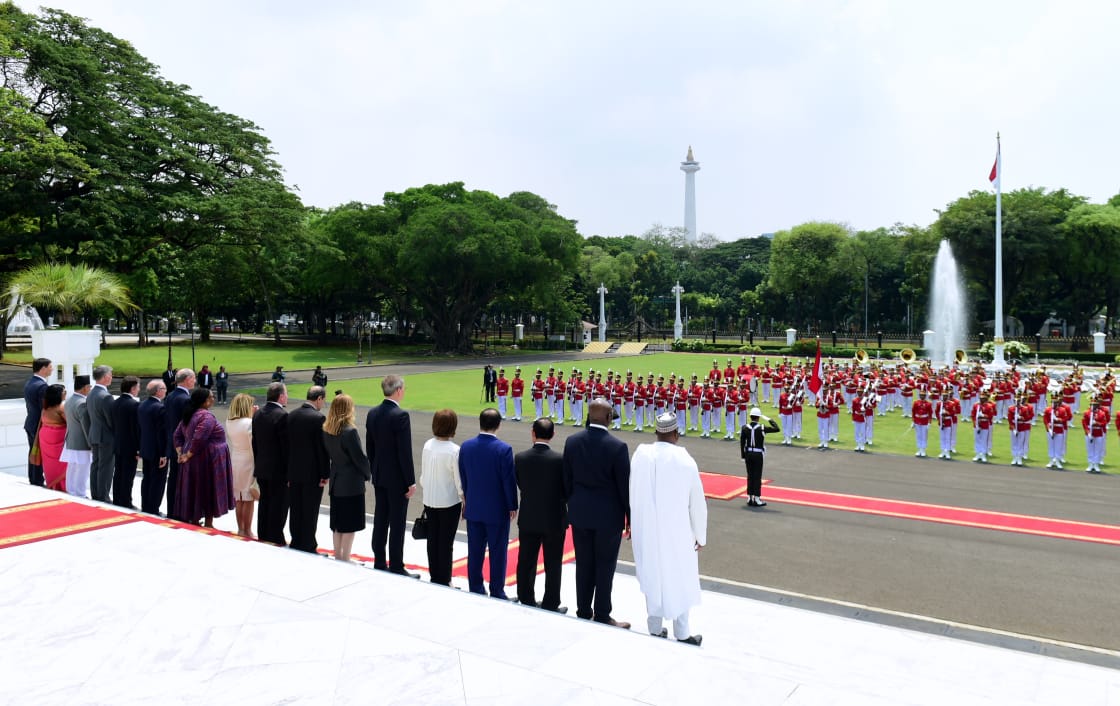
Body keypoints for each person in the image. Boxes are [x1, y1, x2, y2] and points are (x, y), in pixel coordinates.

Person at [629, 411, 707, 645]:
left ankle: (654, 627)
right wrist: (700, 535)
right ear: (676, 434)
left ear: (657, 433)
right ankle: (682, 633)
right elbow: (697, 503)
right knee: (680, 576)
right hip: (678, 531)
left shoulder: (640, 455)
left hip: (647, 529)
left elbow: (633, 493)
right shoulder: (685, 460)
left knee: (653, 572)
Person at [562, 398, 631, 629]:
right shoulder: (617, 446)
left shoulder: (572, 441)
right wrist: (630, 518)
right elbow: (624, 488)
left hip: (580, 514)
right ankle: (602, 613)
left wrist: (574, 503)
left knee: (583, 564)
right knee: (605, 565)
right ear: (609, 418)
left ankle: (583, 609)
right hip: (608, 518)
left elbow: (567, 480)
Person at [458, 408, 517, 598]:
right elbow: (508, 481)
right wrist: (512, 505)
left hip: (474, 507)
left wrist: (468, 498)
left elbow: (464, 477)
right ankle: (496, 589)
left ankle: (475, 586)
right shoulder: (504, 449)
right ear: (498, 425)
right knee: (498, 552)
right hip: (496, 510)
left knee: (474, 551)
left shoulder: (466, 446)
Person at [365, 374, 418, 577]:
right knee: (397, 522)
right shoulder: (400, 415)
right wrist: (410, 481)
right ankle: (396, 563)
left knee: (381, 519)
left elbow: (370, 447)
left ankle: (379, 559)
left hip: (379, 474)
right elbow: (404, 452)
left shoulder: (373, 413)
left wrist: (375, 468)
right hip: (396, 478)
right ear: (398, 390)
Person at [514, 417, 567, 613]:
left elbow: (520, 484)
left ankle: (526, 598)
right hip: (554, 517)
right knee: (553, 563)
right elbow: (566, 489)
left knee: (526, 560)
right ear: (552, 435)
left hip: (529, 516)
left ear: (533, 433)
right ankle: (551, 603)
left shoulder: (520, 457)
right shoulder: (560, 460)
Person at [173, 388, 235, 527]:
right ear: (204, 401)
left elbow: (177, 436)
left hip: (194, 459)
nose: (213, 399)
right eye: (211, 397)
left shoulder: (190, 415)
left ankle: (195, 519)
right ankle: (208, 523)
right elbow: (200, 438)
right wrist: (187, 455)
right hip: (206, 460)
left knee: (196, 489)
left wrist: (181, 454)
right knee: (208, 489)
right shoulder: (206, 417)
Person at [322, 394, 370, 563]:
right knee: (349, 524)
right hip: (351, 483)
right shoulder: (350, 431)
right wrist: (368, 473)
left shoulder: (327, 430)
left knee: (337, 523)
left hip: (336, 481)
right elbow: (359, 458)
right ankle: (345, 557)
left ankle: (338, 555)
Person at [420, 409, 464, 586]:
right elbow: (458, 480)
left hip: (430, 499)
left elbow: (424, 474)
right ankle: (445, 578)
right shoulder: (454, 450)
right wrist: (464, 499)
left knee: (433, 540)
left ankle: (435, 575)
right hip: (448, 502)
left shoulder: (428, 445)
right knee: (446, 542)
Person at [288, 386, 330, 553]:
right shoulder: (318, 418)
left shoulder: (291, 415)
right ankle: (308, 543)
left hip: (293, 470)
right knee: (310, 509)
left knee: (296, 507)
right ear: (319, 398)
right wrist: (325, 473)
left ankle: (296, 539)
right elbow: (322, 449)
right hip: (312, 472)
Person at [253, 382, 290, 545]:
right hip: (278, 469)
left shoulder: (258, 413)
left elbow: (255, 443)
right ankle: (275, 535)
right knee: (279, 503)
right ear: (281, 396)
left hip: (262, 466)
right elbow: (285, 447)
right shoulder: (282, 415)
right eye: (286, 394)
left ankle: (263, 533)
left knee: (265, 501)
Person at [164, 368, 196, 520]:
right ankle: (181, 513)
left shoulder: (170, 396)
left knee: (173, 478)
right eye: (193, 378)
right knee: (182, 481)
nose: (195, 381)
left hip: (172, 443)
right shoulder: (185, 399)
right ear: (187, 379)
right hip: (182, 446)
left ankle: (172, 510)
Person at [226, 393, 258, 537]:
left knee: (239, 497)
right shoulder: (249, 423)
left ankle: (241, 528)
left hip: (236, 458)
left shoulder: (229, 421)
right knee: (248, 497)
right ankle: (248, 529)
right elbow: (253, 444)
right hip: (248, 459)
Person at [138, 379, 169, 515]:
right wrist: (164, 453)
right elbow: (161, 433)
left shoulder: (142, 405)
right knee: (158, 481)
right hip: (157, 451)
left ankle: (146, 505)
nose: (166, 391)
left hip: (146, 448)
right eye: (164, 389)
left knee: (147, 478)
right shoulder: (160, 408)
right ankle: (153, 508)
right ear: (158, 391)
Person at [111, 376, 142, 508]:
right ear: (133, 388)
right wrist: (138, 448)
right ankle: (125, 500)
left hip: (118, 443)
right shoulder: (134, 405)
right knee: (128, 475)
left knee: (118, 473)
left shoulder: (115, 402)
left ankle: (117, 498)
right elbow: (136, 428)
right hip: (130, 446)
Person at [740, 406, 780, 507]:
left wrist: (743, 455)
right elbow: (777, 428)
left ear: (750, 417)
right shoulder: (762, 427)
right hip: (758, 454)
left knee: (750, 476)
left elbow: (742, 442)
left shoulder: (744, 428)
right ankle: (757, 498)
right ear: (758, 417)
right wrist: (769, 419)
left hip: (748, 453)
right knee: (757, 477)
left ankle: (749, 497)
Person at [87, 365, 116, 502]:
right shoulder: (105, 396)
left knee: (96, 465)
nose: (111, 377)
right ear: (105, 377)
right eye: (110, 375)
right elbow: (112, 420)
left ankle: (96, 493)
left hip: (94, 434)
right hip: (106, 437)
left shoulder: (91, 393)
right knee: (105, 467)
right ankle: (103, 495)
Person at [24, 357, 53, 486]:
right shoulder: (42, 386)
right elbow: (45, 408)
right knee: (38, 453)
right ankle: (37, 480)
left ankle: (34, 478)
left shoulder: (30, 382)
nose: (52, 369)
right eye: (50, 366)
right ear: (43, 368)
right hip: (38, 425)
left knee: (33, 451)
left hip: (30, 423)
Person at [62, 375, 92, 498]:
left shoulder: (69, 400)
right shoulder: (82, 403)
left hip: (70, 439)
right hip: (81, 442)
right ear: (85, 388)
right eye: (89, 387)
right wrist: (91, 443)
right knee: (82, 469)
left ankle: (71, 490)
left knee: (72, 467)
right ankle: (80, 493)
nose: (90, 389)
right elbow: (86, 426)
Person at [38, 384, 68, 491]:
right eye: (64, 392)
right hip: (57, 439)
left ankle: (53, 485)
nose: (65, 394)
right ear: (58, 395)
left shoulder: (45, 408)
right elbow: (71, 423)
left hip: (45, 438)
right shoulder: (61, 407)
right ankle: (62, 487)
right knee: (62, 464)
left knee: (50, 464)